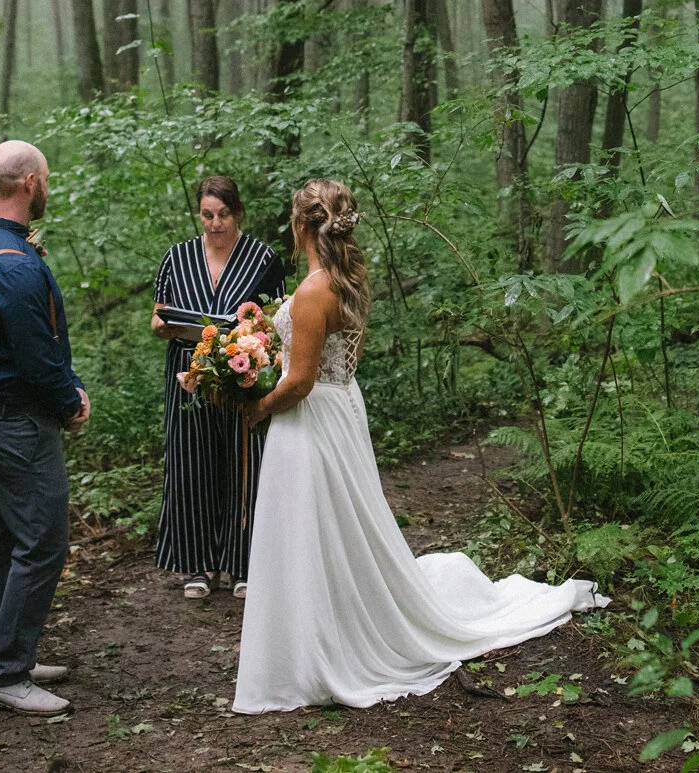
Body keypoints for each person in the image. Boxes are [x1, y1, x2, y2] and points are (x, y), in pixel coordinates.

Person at [231, 179, 606, 713]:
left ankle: (320, 645)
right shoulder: (346, 278)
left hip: (310, 417)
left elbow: (300, 381)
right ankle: (326, 619)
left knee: (312, 520)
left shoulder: (316, 290)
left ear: (299, 226)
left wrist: (257, 409)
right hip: (339, 409)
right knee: (329, 522)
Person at [0, 140, 87, 717]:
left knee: (1, 535)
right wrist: (70, 401)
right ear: (30, 183)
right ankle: (7, 674)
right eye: (46, 178)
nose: (47, 186)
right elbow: (36, 358)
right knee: (42, 543)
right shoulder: (10, 264)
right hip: (17, 422)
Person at [150, 175, 287, 599]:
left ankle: (244, 563)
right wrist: (172, 325)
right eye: (207, 215)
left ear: (238, 212)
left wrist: (246, 338)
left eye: (223, 214)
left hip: (243, 376)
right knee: (193, 465)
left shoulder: (263, 258)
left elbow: (277, 322)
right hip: (188, 377)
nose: (214, 223)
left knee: (244, 464)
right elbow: (157, 319)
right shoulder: (177, 258)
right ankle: (200, 566)